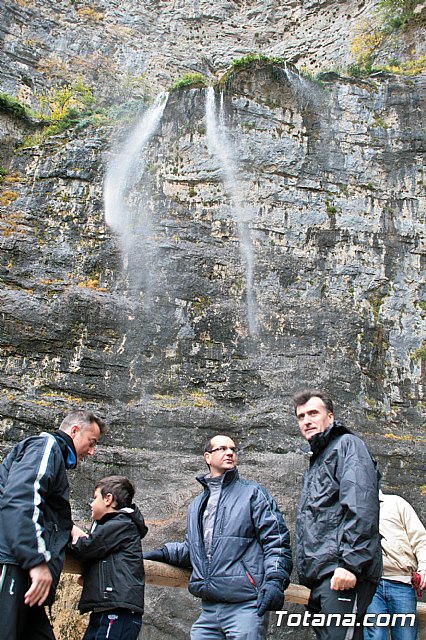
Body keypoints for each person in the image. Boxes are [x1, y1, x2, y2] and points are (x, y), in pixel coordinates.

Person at [144, 434, 292, 640]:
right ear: (207, 457)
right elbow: (195, 550)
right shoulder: (197, 504)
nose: (229, 452)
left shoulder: (254, 494)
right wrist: (164, 554)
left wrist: (275, 581)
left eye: (232, 449)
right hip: (209, 610)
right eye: (222, 449)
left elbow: (276, 541)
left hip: (246, 606)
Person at [0, 409, 105, 640]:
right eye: (91, 442)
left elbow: (43, 510)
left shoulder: (51, 456)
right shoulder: (45, 446)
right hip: (13, 563)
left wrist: (68, 529)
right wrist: (36, 562)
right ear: (74, 431)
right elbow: (22, 499)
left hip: (27, 576)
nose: (92, 451)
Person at [293, 389, 382, 640]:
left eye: (313, 413)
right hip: (322, 577)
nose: (307, 420)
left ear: (330, 417)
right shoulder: (318, 461)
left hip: (343, 573)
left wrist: (350, 564)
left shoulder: (347, 446)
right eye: (301, 416)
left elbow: (361, 506)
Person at [70, 475, 148, 640]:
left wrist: (70, 531)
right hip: (106, 609)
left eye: (95, 498)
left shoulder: (121, 523)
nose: (91, 504)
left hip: (117, 610)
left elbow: (86, 548)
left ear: (108, 499)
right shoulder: (113, 526)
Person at [363, 491, 426, 640]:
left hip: (402, 583)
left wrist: (424, 567)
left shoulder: (396, 503)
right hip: (369, 584)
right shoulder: (354, 506)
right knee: (375, 636)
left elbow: (420, 539)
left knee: (406, 637)